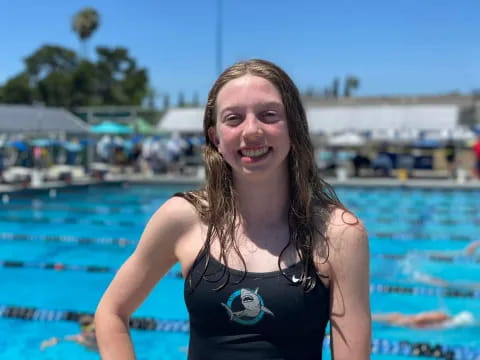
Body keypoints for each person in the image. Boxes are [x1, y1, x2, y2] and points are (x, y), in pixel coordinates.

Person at [95, 59, 371, 360]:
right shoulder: (184, 218)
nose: (251, 131)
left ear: (293, 128)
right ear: (216, 138)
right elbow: (111, 313)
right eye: (234, 118)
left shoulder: (338, 233)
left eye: (268, 115)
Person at [372, 310, 475, 329]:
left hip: (406, 321)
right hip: (405, 320)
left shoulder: (447, 323)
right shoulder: (443, 317)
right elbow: (419, 319)